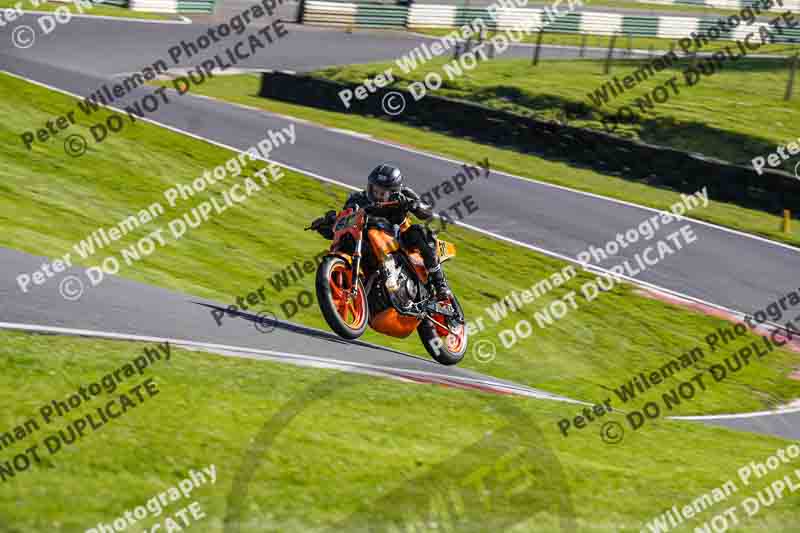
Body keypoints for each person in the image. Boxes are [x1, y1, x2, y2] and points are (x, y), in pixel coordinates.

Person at [344, 163, 452, 300]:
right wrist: (328, 222)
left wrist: (413, 204)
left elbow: (427, 212)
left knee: (420, 231)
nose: (377, 195)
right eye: (374, 190)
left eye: (382, 193)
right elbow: (345, 217)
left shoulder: (403, 194)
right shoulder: (357, 199)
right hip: (369, 241)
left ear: (394, 191)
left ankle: (440, 284)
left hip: (401, 240)